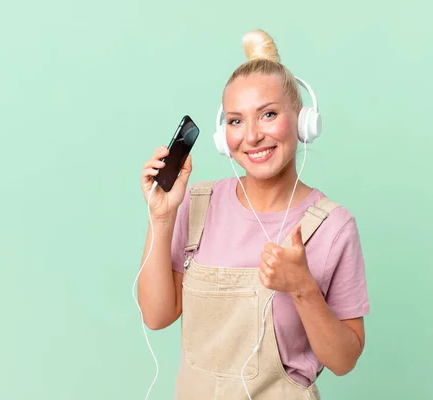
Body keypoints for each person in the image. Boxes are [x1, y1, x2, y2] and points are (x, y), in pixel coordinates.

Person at [138, 29, 370, 400]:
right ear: (222, 135)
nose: (252, 136)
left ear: (303, 121)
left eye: (269, 115)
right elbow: (157, 316)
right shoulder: (198, 204)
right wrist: (162, 217)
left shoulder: (332, 226)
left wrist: (302, 288)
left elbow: (344, 361)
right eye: (235, 121)